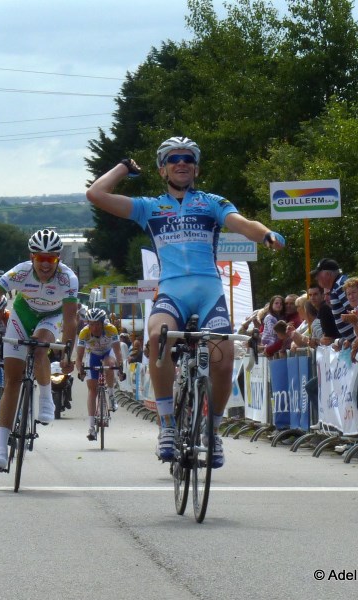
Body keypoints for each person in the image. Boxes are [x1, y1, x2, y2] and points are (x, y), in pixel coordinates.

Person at [85, 136, 285, 468]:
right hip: (172, 292)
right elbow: (96, 194)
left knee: (222, 361)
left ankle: (213, 431)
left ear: (197, 168)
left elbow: (244, 224)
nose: (182, 163)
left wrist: (265, 234)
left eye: (188, 159)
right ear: (162, 169)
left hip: (209, 291)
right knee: (157, 338)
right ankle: (166, 425)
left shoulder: (212, 203)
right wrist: (123, 167)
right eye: (174, 158)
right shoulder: (149, 207)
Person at [0, 229, 78, 472]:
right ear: (31, 257)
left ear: (59, 259)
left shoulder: (68, 279)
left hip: (51, 318)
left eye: (50, 259)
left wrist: (67, 352)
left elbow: (71, 320)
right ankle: (0, 448)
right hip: (22, 315)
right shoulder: (20, 271)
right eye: (39, 258)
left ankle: (45, 397)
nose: (44, 264)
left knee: (40, 347)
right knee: (12, 380)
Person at [76, 307, 125, 441]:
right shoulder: (84, 333)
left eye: (97, 324)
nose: (94, 327)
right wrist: (80, 370)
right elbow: (79, 357)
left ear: (103, 323)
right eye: (91, 324)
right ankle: (91, 428)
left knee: (109, 364)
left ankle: (111, 395)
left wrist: (120, 368)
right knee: (92, 389)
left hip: (108, 352)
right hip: (93, 354)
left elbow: (118, 352)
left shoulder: (111, 329)